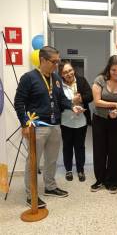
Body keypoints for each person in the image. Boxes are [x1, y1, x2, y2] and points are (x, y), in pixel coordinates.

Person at [14, 46, 84, 208]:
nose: (57, 65)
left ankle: (50, 187)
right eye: (54, 61)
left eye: (58, 61)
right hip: (37, 126)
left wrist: (71, 106)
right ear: (43, 60)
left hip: (55, 125)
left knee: (51, 160)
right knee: (33, 162)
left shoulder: (56, 78)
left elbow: (60, 100)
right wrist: (24, 123)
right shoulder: (28, 78)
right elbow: (19, 102)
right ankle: (31, 195)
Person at [91, 55, 117, 194]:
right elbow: (97, 101)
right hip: (99, 119)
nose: (116, 73)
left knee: (114, 150)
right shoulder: (99, 80)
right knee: (100, 149)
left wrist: (116, 109)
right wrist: (113, 104)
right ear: (108, 68)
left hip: (116, 120)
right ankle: (100, 180)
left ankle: (113, 180)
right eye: (113, 70)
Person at [58, 61, 93, 182]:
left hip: (81, 121)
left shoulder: (81, 80)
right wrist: (72, 102)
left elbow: (90, 95)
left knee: (80, 146)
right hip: (66, 121)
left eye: (70, 70)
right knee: (67, 146)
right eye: (65, 72)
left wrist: (81, 99)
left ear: (73, 70)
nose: (69, 74)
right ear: (61, 74)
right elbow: (58, 103)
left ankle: (80, 170)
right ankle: (68, 170)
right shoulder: (59, 84)